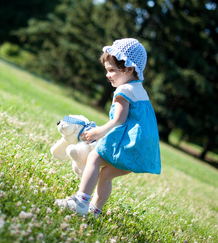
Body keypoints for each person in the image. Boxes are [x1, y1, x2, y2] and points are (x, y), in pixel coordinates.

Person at [54, 38, 161, 217]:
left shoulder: (123, 91)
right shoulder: (141, 91)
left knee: (94, 158)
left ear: (129, 68)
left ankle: (81, 201)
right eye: (107, 70)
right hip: (140, 151)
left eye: (112, 70)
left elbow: (118, 120)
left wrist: (98, 132)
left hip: (127, 147)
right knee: (105, 175)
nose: (108, 75)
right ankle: (94, 211)